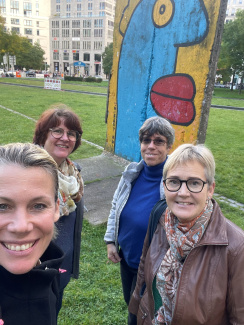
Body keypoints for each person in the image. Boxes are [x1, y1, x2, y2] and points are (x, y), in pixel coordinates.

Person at [129, 143, 244, 325]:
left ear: (210, 189)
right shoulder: (160, 218)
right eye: (174, 181)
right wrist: (135, 309)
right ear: (164, 185)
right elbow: (144, 266)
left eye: (194, 183)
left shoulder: (237, 247)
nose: (183, 193)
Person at [104, 116, 175, 325]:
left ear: (169, 146)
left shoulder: (174, 180)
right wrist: (110, 241)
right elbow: (115, 207)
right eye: (146, 141)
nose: (150, 146)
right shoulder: (131, 173)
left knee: (140, 314)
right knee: (131, 303)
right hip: (127, 258)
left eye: (158, 141)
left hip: (153, 264)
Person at [0, 142, 63, 325]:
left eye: (38, 206)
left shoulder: (49, 266)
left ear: (56, 208)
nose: (21, 226)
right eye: (2, 206)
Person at [33, 104, 84, 312]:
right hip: (32, 268)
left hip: (61, 264)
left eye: (71, 133)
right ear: (43, 135)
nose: (65, 138)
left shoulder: (73, 173)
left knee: (54, 311)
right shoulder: (28, 171)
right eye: (57, 131)